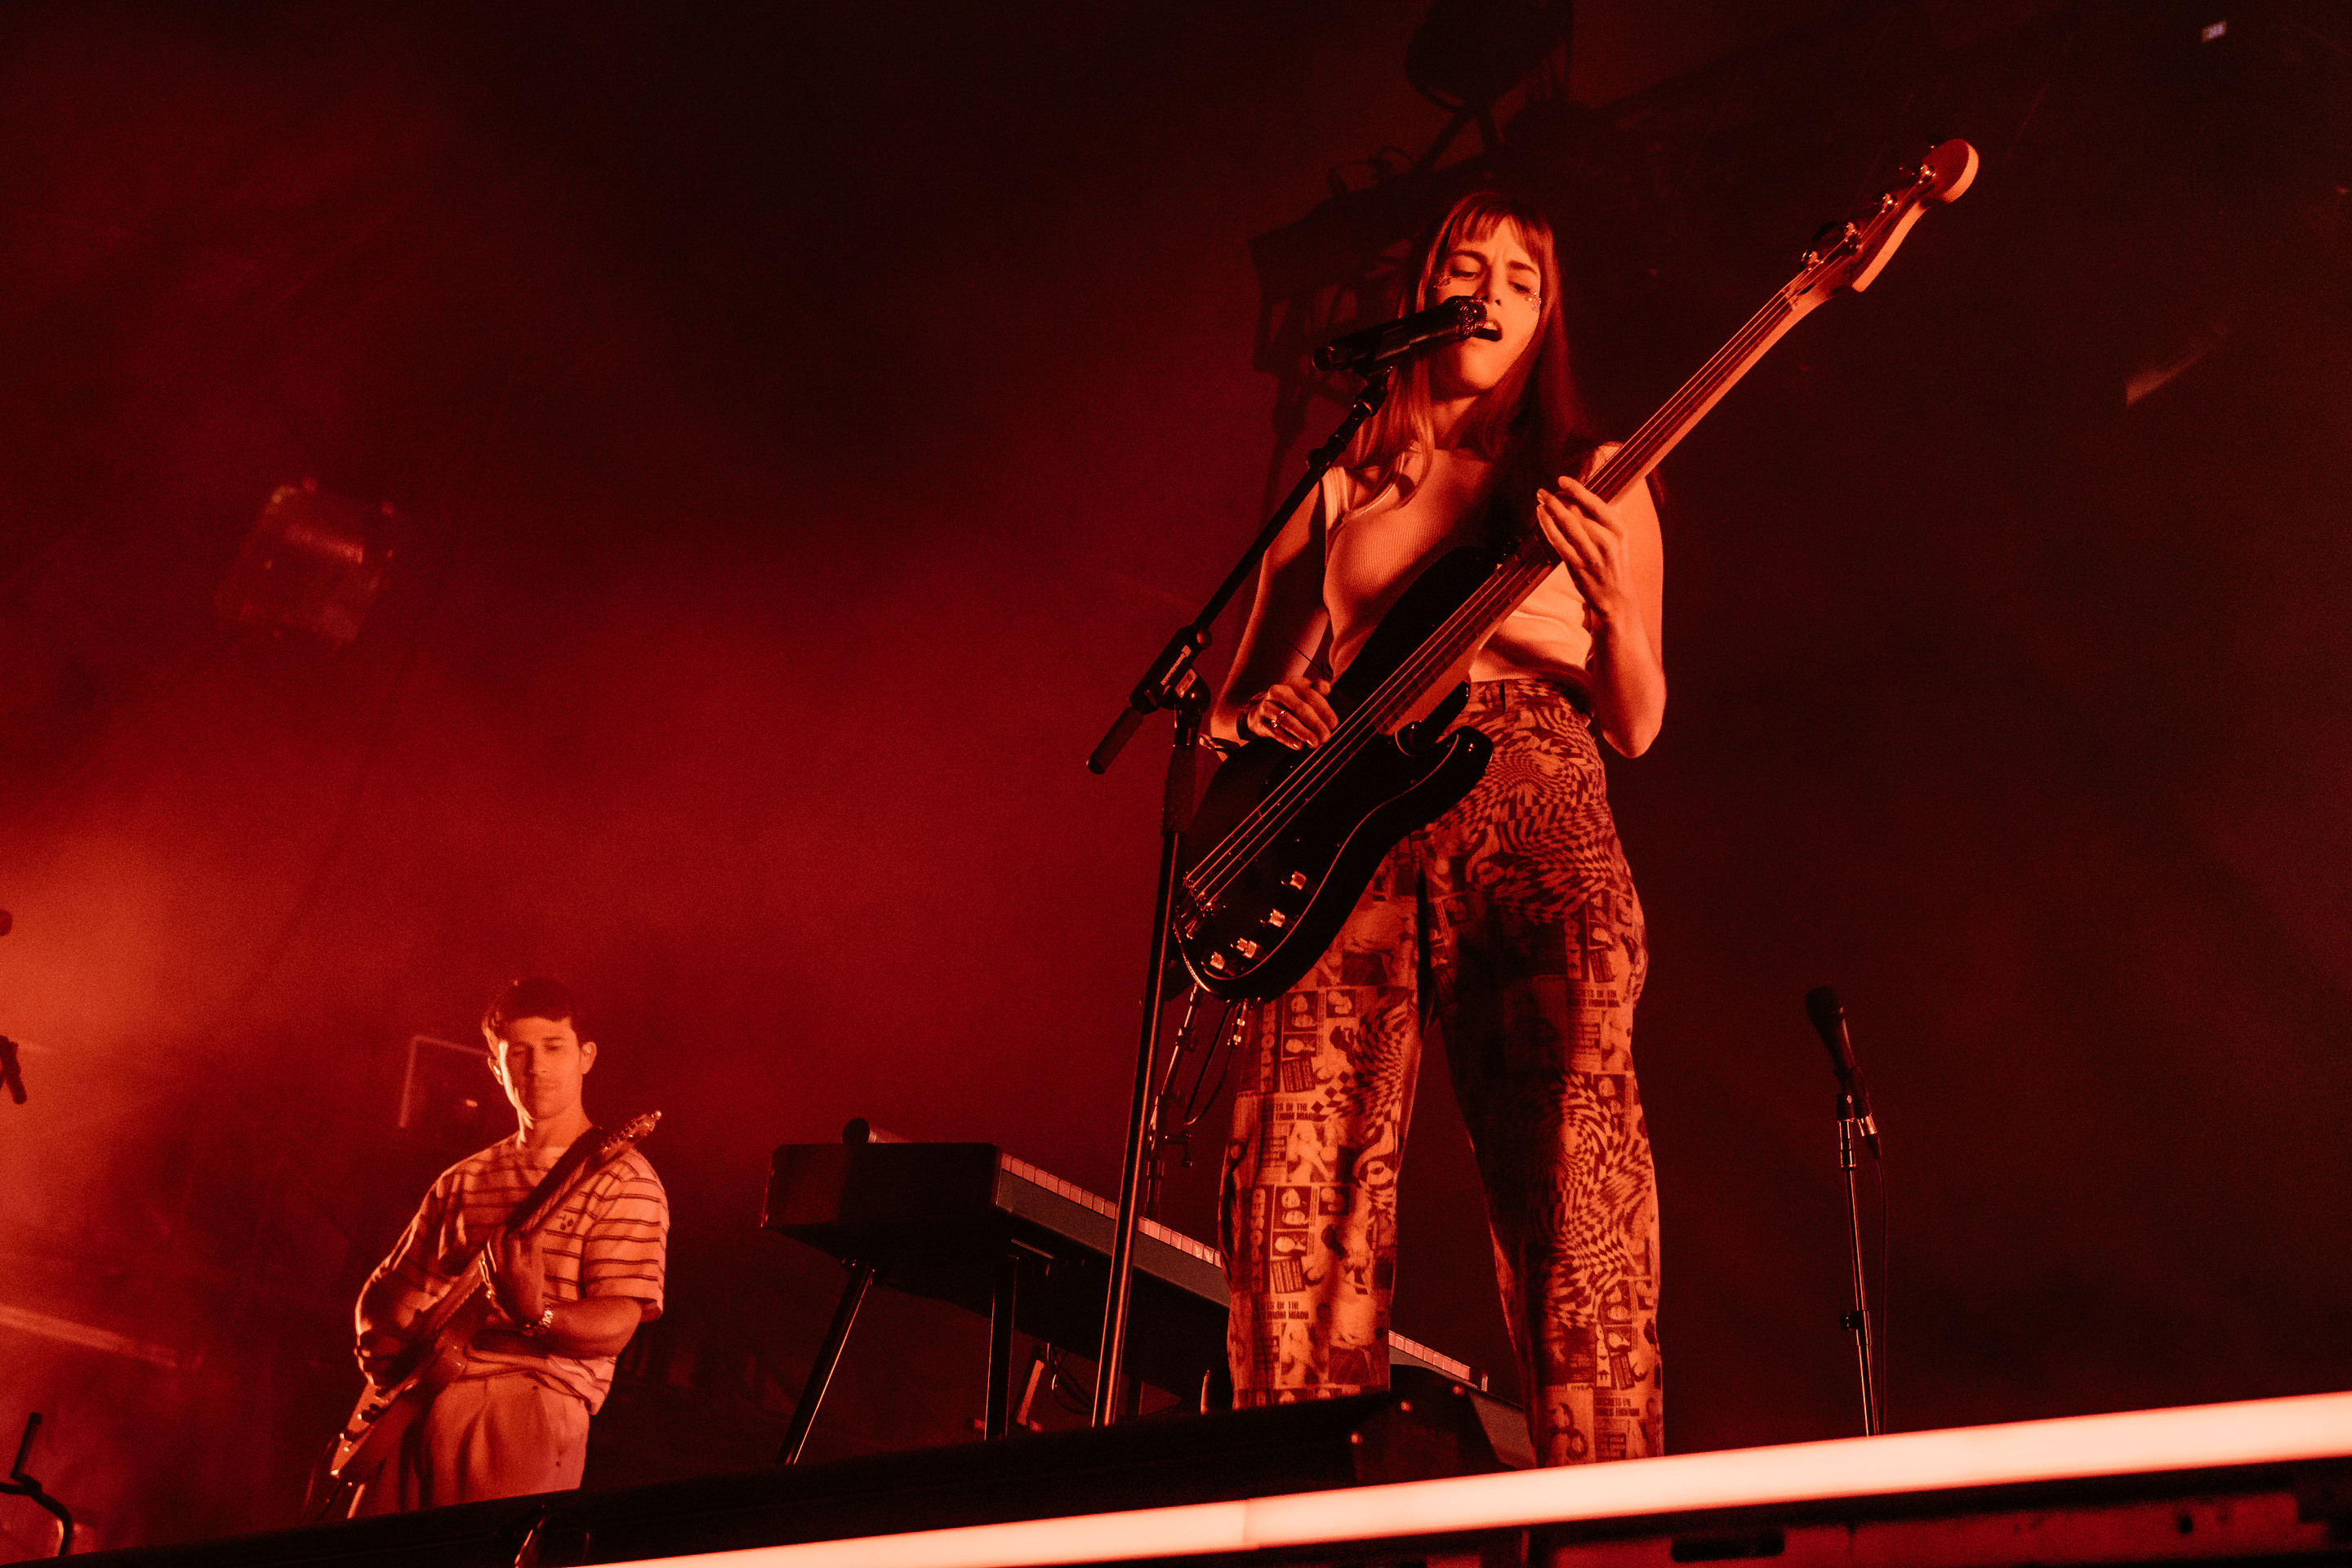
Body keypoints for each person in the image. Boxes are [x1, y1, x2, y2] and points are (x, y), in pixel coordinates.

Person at [1213, 190, 1666, 1465]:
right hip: (1347, 821)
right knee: (1302, 1188)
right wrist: (1266, 712)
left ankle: (1605, 1517)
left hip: (1533, 796)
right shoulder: (1344, 482)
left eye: (1521, 279)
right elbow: (1234, 700)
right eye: (1469, 268)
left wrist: (1617, 610)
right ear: (1424, 294)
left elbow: (1639, 719)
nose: (1490, 294)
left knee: (1573, 1180)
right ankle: (1301, 1510)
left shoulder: (1596, 476)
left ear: (1546, 318)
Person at [351, 978, 668, 1511]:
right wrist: (376, 1337)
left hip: (523, 1407)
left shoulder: (625, 1178)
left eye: (553, 1047)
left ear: (586, 1057)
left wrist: (537, 1314)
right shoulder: (461, 1179)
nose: (536, 1067)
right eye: (518, 1052)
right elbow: (387, 1291)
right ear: (496, 1068)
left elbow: (619, 1321)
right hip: (411, 1412)